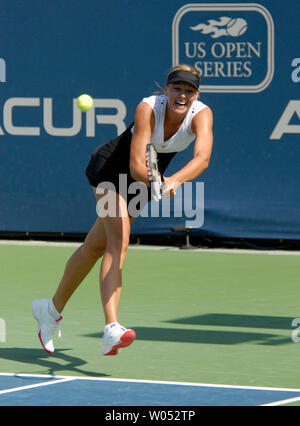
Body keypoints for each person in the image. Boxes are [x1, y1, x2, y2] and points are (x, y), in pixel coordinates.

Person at [31, 64, 214, 356]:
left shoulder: (201, 114)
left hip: (142, 184)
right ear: (165, 90)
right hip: (110, 172)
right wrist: (159, 181)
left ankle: (49, 310)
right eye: (177, 88)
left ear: (197, 94)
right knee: (119, 240)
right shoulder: (148, 108)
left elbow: (202, 158)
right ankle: (111, 328)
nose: (183, 95)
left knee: (94, 248)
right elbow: (135, 165)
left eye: (189, 90)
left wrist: (174, 180)